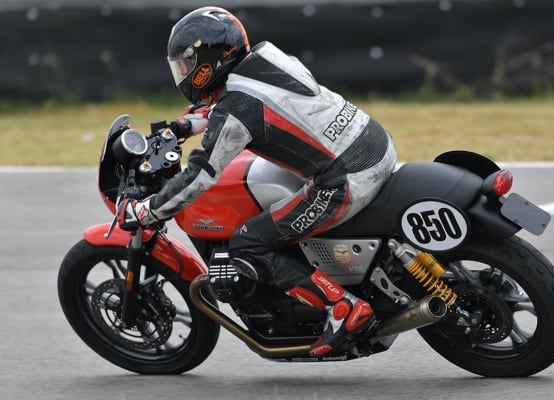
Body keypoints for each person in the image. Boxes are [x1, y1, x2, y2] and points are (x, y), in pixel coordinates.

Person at [118, 6, 397, 357]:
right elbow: (254, 102)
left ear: (207, 62)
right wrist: (188, 124)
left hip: (347, 178)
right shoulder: (267, 57)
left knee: (248, 242)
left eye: (187, 64)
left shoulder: (237, 110)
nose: (184, 74)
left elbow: (201, 175)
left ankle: (342, 307)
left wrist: (147, 211)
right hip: (375, 143)